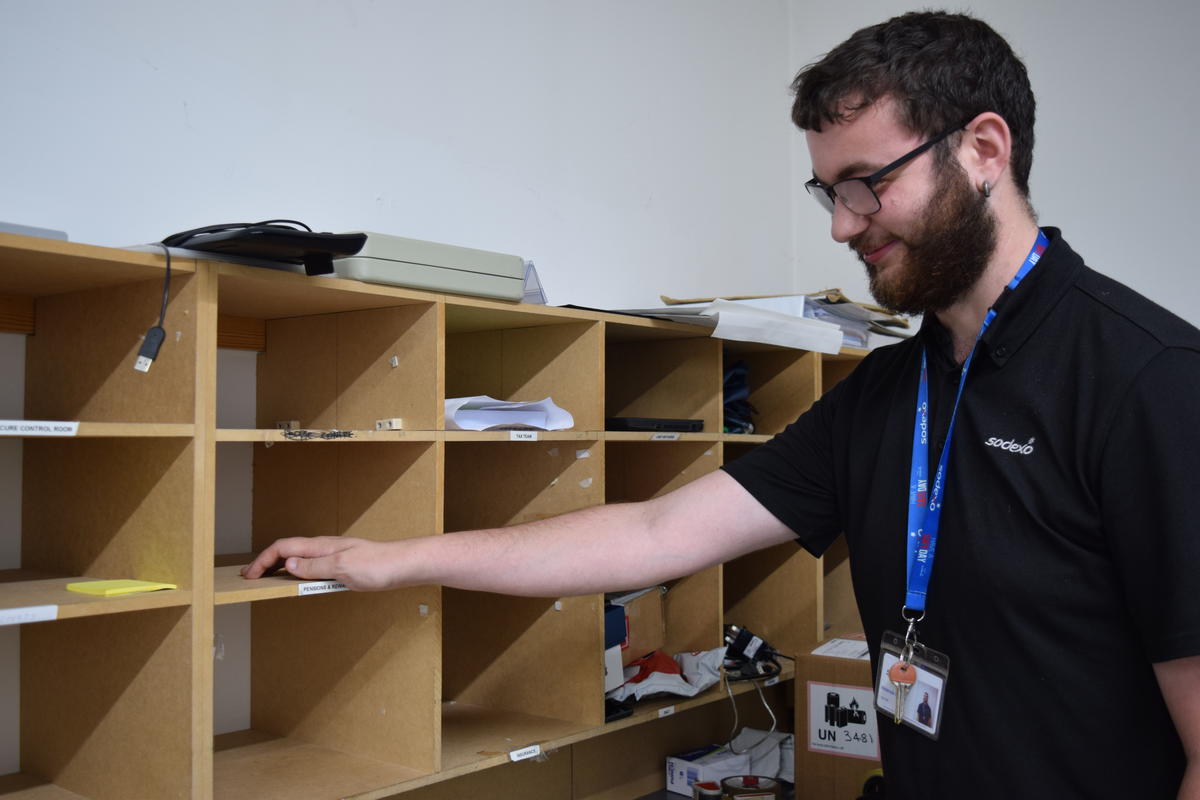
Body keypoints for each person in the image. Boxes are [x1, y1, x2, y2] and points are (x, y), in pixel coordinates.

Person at [243, 11, 1200, 798]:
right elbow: (657, 532)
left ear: (984, 147)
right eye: (828, 192)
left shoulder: (1149, 381)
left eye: (867, 185)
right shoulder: (892, 393)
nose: (841, 226)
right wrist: (395, 559)